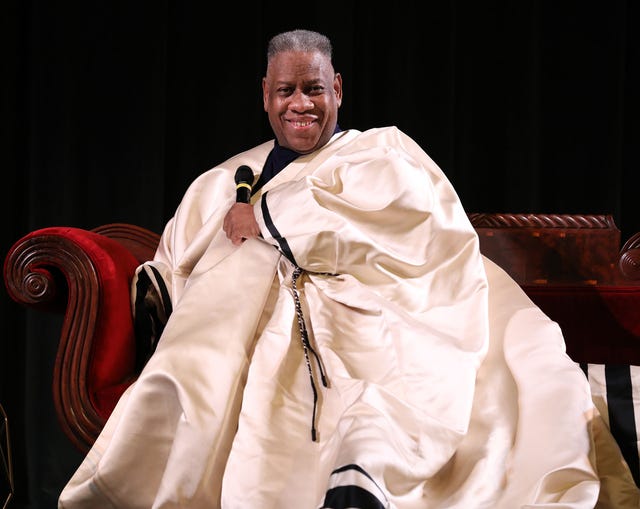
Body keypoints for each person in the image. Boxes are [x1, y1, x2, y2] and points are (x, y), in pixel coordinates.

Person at [58, 29, 638, 509]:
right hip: (255, 331)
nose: (300, 104)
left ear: (337, 88)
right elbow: (175, 260)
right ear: (265, 95)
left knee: (435, 394)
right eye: (286, 91)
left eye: (314, 88)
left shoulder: (382, 154)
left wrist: (270, 220)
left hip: (376, 315)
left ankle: (363, 477)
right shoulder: (222, 180)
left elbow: (415, 227)